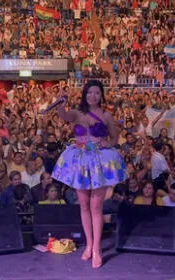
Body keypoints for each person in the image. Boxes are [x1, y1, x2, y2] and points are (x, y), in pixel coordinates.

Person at [52, 80, 127, 268]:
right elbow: (63, 115)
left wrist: (106, 145)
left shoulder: (107, 115)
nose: (92, 96)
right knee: (83, 204)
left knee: (96, 206)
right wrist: (60, 102)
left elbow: (115, 137)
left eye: (96, 93)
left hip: (100, 161)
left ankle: (97, 249)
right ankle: (89, 245)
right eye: (89, 92)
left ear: (101, 95)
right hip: (80, 160)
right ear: (85, 94)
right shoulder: (77, 113)